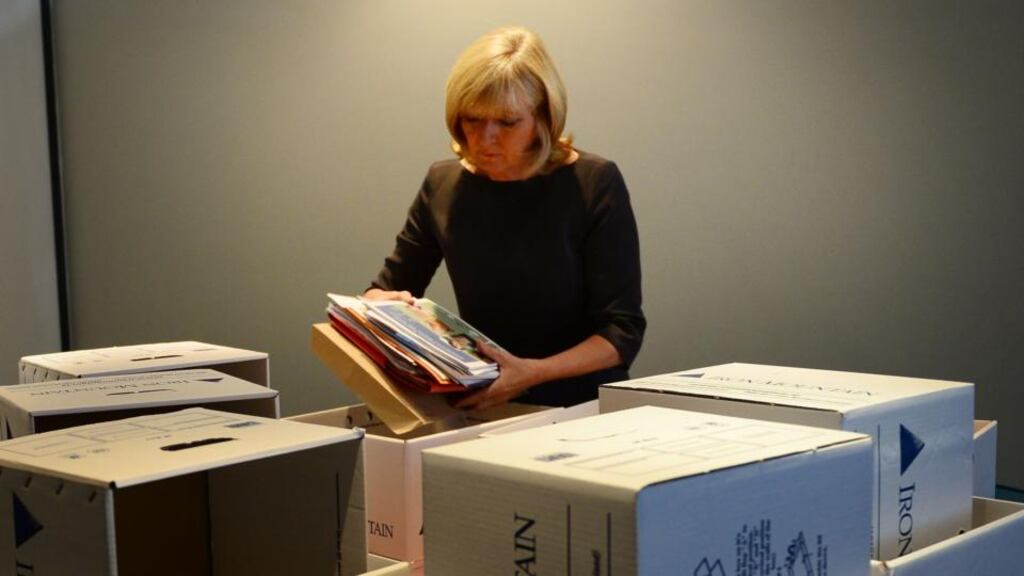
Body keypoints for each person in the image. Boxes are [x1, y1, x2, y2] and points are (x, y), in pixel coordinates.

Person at [364, 26, 645, 410]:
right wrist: (382, 306)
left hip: (581, 407)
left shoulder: (594, 182)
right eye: (472, 120)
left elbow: (621, 333)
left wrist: (532, 372)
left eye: (507, 122)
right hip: (485, 403)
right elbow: (385, 288)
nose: (484, 139)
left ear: (544, 117)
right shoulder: (442, 183)